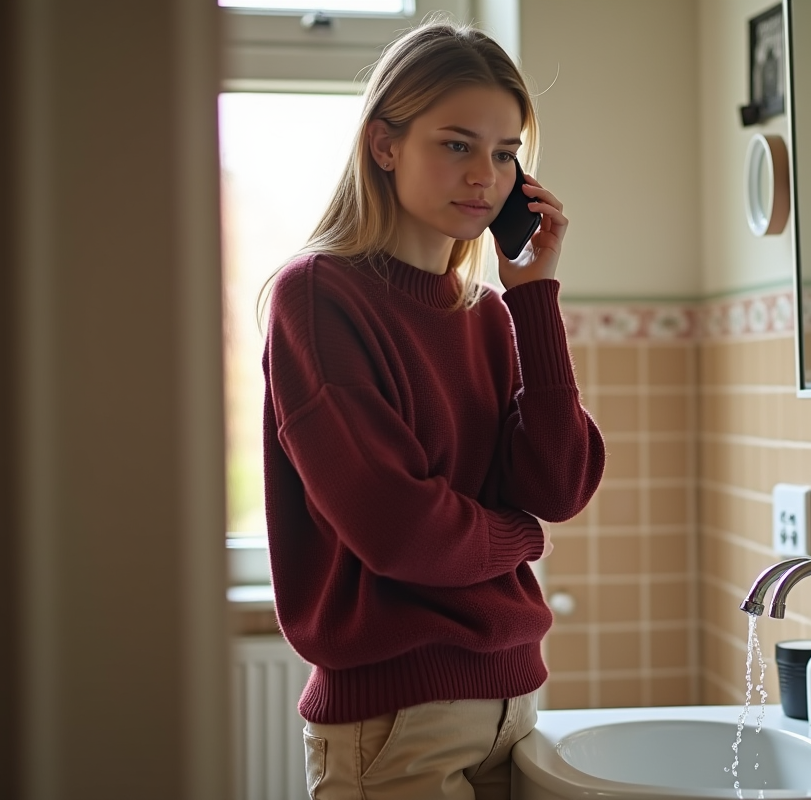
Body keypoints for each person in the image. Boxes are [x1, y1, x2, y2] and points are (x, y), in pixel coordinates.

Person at [260, 17, 606, 800]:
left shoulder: (487, 313)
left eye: (505, 152)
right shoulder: (317, 295)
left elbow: (559, 485)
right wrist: (520, 538)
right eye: (456, 144)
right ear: (385, 144)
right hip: (395, 723)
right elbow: (399, 528)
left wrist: (536, 301)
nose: (486, 176)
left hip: (514, 705)